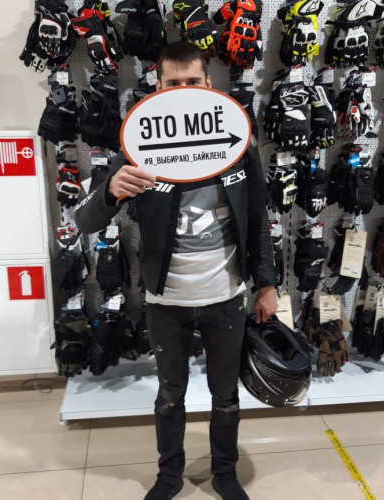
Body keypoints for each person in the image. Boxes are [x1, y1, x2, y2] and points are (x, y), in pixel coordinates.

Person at [75, 40, 276, 500]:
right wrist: (110, 191)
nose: (183, 90)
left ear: (208, 85)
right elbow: (85, 221)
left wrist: (266, 284)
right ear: (158, 88)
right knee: (169, 394)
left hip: (225, 295)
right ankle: (169, 476)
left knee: (225, 397)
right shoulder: (140, 149)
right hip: (166, 300)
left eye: (192, 82)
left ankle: (224, 474)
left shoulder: (238, 146)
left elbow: (257, 220)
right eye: (173, 83)